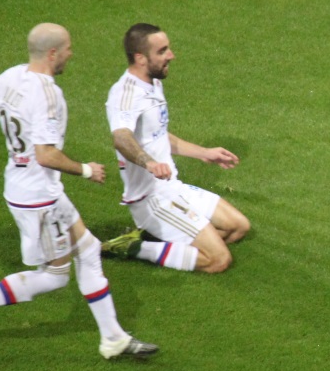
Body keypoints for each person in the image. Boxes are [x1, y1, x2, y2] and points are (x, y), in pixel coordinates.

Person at [0, 23, 157, 360]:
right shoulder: (47, 95)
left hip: (29, 188)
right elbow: (46, 154)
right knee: (55, 277)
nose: (72, 54)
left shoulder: (10, 77)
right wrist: (86, 169)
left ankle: (113, 338)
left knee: (88, 249)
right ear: (53, 53)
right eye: (69, 48)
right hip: (39, 197)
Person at [100, 23, 250, 273]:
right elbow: (122, 138)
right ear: (140, 58)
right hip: (151, 199)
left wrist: (204, 152)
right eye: (162, 51)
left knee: (238, 227)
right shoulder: (125, 95)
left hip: (172, 187)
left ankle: (170, 241)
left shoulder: (153, 83)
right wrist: (149, 163)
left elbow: (157, 135)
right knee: (218, 261)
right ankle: (136, 248)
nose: (171, 55)